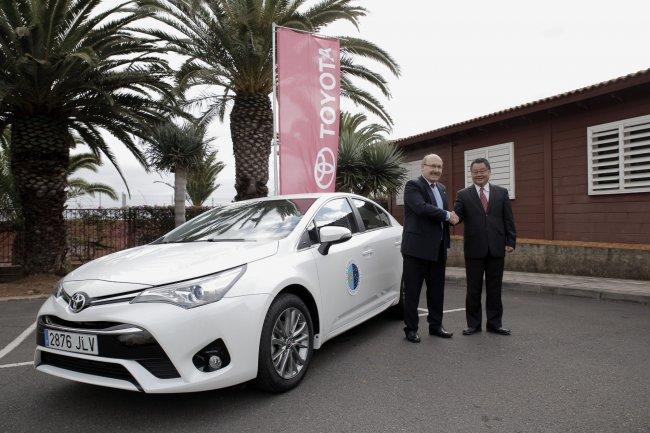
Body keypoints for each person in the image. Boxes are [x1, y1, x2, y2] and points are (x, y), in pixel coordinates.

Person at [453, 157, 516, 336]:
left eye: (482, 171)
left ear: (489, 172)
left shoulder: (501, 192)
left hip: (497, 248)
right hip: (474, 248)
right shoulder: (463, 194)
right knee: (473, 289)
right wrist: (451, 217)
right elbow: (458, 216)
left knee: (495, 289)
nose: (479, 174)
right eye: (475, 172)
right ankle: (473, 324)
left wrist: (510, 241)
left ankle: (495, 324)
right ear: (471, 174)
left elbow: (508, 219)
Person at [401, 154, 459, 343]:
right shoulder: (413, 185)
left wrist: (452, 219)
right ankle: (411, 329)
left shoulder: (441, 188)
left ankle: (436, 326)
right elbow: (421, 208)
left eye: (439, 167)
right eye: (432, 166)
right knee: (412, 292)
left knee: (437, 291)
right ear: (423, 167)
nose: (436, 170)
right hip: (416, 250)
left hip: (438, 249)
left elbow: (444, 218)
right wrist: (446, 215)